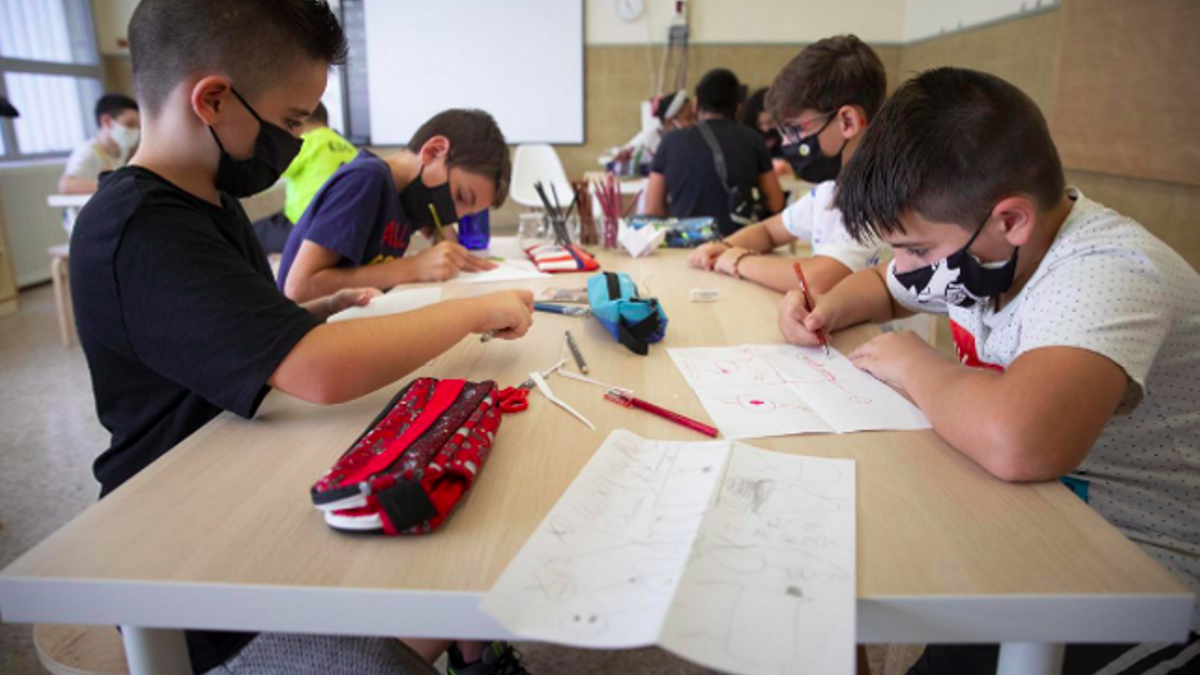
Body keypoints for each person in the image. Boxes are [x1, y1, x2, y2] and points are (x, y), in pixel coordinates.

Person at [69, 1, 534, 673]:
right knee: (456, 568)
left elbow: (246, 335)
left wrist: (318, 311)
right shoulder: (139, 227)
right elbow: (316, 372)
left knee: (454, 517)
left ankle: (471, 647)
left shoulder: (208, 204)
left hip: (239, 485)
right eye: (290, 121)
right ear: (213, 99)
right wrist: (475, 310)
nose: (295, 140)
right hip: (191, 566)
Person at [778, 67, 1200, 674]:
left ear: (1011, 220)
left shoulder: (1108, 271)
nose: (905, 265)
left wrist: (913, 363)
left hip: (1146, 568)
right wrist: (826, 307)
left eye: (916, 249)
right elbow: (885, 286)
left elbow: (1021, 440)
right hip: (1044, 516)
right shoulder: (988, 247)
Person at [688, 36, 887, 294]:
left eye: (795, 130)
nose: (786, 142)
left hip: (872, 334)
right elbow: (769, 231)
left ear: (847, 122)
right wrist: (723, 247)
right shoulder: (830, 190)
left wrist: (739, 261)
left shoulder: (883, 195)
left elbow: (818, 280)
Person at [277, 108, 506, 303]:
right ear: (433, 151)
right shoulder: (367, 181)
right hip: (304, 338)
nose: (457, 215)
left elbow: (443, 239)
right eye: (461, 197)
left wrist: (447, 248)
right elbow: (299, 288)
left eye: (469, 212)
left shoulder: (411, 198)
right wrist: (413, 268)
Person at [643, 68, 784, 236]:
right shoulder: (753, 139)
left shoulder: (670, 142)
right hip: (740, 245)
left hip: (686, 245)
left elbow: (653, 208)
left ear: (696, 105)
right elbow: (776, 202)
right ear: (738, 108)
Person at [252, 101, 357, 253]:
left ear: (299, 122)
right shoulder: (347, 145)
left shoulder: (307, 142)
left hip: (307, 226)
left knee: (251, 234)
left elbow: (271, 169)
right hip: (341, 225)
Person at [58, 93, 140, 194]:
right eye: (129, 124)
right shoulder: (87, 152)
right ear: (106, 121)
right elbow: (66, 186)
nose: (135, 131)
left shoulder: (123, 151)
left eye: (138, 126)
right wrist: (113, 185)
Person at [739, 88, 792, 177]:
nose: (766, 129)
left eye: (770, 122)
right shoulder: (746, 138)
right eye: (760, 124)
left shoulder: (789, 135)